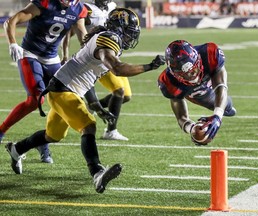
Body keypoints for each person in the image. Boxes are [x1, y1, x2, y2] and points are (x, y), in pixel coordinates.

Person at [5, 8, 165, 193]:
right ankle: (97, 173)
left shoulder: (107, 39)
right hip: (62, 90)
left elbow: (88, 75)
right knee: (88, 125)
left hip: (67, 89)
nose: (130, 36)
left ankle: (17, 148)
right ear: (119, 28)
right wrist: (149, 66)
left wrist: (96, 104)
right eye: (129, 31)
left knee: (53, 135)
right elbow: (118, 69)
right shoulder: (107, 40)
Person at [1, 0, 88, 163]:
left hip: (51, 58)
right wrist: (12, 44)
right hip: (30, 53)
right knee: (36, 99)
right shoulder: (45, 3)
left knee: (64, 98)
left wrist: (85, 52)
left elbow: (80, 33)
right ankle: (1, 130)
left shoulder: (79, 9)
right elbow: (10, 21)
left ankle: (42, 142)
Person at [62, 0, 131, 141]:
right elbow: (69, 32)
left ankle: (90, 106)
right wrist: (65, 54)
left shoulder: (112, 6)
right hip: (97, 57)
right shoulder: (87, 9)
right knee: (119, 91)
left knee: (126, 96)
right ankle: (111, 131)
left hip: (112, 54)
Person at [158, 40, 236, 145]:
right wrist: (192, 129)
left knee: (227, 106)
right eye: (185, 74)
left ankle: (227, 109)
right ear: (173, 72)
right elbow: (181, 118)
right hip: (196, 92)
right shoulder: (168, 81)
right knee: (216, 103)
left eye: (193, 70)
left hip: (209, 78)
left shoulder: (209, 53)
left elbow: (221, 86)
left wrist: (217, 117)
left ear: (198, 59)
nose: (191, 76)